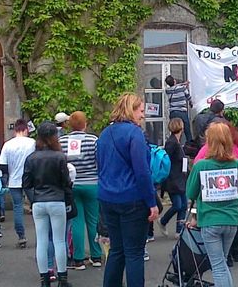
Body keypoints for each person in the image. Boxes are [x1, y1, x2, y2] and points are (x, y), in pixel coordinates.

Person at [96, 93, 158, 287]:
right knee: (134, 253)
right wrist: (152, 203)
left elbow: (100, 165)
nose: (143, 116)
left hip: (107, 197)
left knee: (117, 250)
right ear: (131, 110)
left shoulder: (105, 133)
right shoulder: (135, 134)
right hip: (132, 198)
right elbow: (142, 172)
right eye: (141, 111)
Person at [186, 122, 238, 287]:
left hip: (210, 220)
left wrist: (194, 214)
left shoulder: (201, 166)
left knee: (217, 266)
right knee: (222, 263)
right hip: (231, 220)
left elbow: (191, 193)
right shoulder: (237, 165)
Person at [194, 123, 238, 264]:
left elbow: (197, 167)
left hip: (215, 194)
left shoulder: (207, 150)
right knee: (235, 221)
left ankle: (226, 257)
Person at [23, 121, 73, 287]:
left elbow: (27, 184)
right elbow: (66, 182)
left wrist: (33, 199)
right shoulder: (59, 157)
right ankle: (63, 278)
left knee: (42, 240)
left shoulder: (31, 158)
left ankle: (45, 279)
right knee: (59, 240)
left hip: (39, 201)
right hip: (57, 200)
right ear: (54, 137)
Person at [59, 111, 102, 270]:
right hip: (92, 184)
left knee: (76, 221)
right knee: (93, 221)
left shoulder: (62, 141)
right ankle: (96, 256)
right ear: (85, 124)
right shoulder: (93, 140)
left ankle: (78, 259)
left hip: (73, 185)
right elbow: (99, 161)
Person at [0, 119, 36, 248]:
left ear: (15, 130)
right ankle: (42, 233)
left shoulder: (8, 145)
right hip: (31, 180)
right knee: (37, 206)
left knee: (17, 208)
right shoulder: (32, 143)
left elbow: (2, 166)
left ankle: (21, 236)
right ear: (26, 130)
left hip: (14, 181)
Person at [158, 118, 188, 238]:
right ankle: (163, 221)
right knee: (177, 205)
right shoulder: (172, 143)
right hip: (173, 179)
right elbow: (166, 161)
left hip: (179, 178)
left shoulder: (176, 142)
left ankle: (179, 230)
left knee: (183, 205)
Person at [164, 75, 193, 142]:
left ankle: (175, 144)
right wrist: (191, 104)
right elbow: (188, 97)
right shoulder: (182, 88)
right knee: (187, 130)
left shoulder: (168, 91)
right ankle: (190, 145)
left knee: (174, 130)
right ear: (174, 81)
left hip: (173, 113)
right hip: (182, 112)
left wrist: (182, 84)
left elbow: (174, 86)